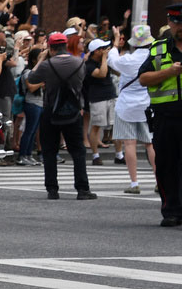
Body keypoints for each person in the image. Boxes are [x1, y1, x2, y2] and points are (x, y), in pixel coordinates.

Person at [27, 32, 94, 201]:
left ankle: (52, 189)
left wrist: (41, 59)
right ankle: (82, 189)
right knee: (78, 151)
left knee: (49, 150)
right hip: (73, 111)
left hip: (51, 111)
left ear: (50, 47)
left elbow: (31, 78)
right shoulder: (79, 63)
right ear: (65, 45)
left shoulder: (46, 65)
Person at [137, 3, 182, 225]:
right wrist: (168, 72)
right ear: (170, 23)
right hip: (165, 117)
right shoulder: (159, 48)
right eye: (176, 22)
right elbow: (143, 78)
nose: (179, 26)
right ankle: (171, 210)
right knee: (166, 165)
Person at [107, 25, 155, 193]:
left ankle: (134, 183)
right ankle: (159, 180)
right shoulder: (154, 58)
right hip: (147, 104)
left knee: (129, 143)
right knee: (150, 144)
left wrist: (115, 42)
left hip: (126, 105)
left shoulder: (128, 60)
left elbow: (111, 60)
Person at [83, 38, 117, 166]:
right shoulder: (89, 65)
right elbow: (102, 74)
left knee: (116, 126)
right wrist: (104, 58)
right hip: (97, 98)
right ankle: (95, 155)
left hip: (110, 94)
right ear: (96, 51)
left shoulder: (106, 61)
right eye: (102, 49)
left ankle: (119, 154)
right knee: (96, 126)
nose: (104, 51)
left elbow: (117, 71)